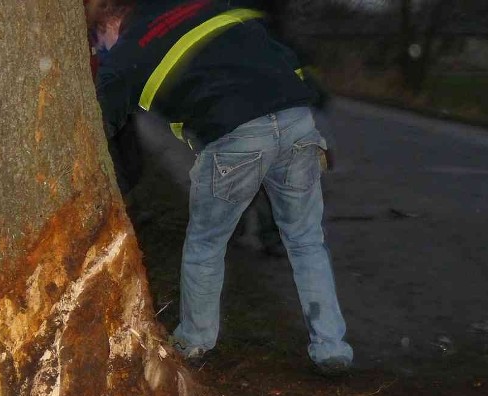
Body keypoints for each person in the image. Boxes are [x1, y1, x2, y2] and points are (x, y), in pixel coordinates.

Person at [89, 0, 352, 374]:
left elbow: (100, 120)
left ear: (109, 23)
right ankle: (332, 348)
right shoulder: (210, 7)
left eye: (99, 41)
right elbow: (289, 61)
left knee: (206, 245)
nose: (101, 50)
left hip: (235, 140)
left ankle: (194, 340)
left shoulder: (130, 50)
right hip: (298, 125)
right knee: (306, 241)